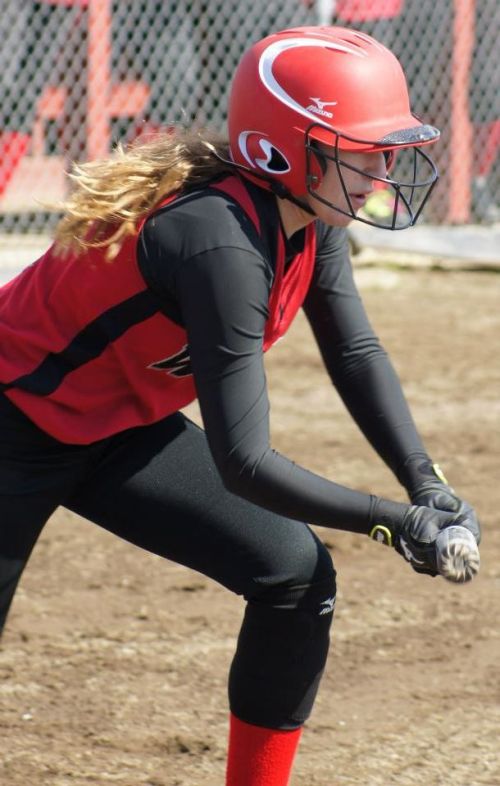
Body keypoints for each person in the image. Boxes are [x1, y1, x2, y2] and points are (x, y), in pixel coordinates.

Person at [0, 26, 480, 786]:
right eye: (359, 149)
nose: (383, 170)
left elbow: (355, 353)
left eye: (387, 150)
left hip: (118, 427)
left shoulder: (308, 216)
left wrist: (427, 483)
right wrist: (390, 519)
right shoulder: (218, 243)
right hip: (11, 422)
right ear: (285, 148)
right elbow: (245, 462)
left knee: (293, 574)